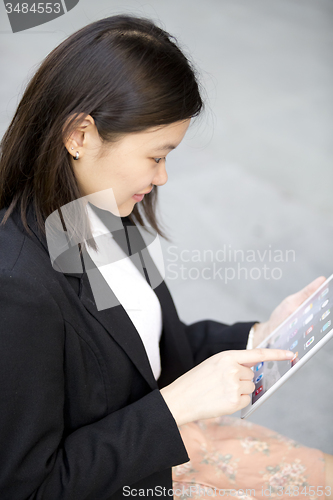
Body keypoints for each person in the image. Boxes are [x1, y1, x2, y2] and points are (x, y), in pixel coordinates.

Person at [0, 14, 331, 500]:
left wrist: (263, 335)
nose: (162, 178)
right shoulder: (18, 288)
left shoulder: (104, 210)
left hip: (161, 448)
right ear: (79, 135)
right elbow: (26, 488)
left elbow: (150, 350)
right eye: (157, 156)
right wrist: (173, 408)